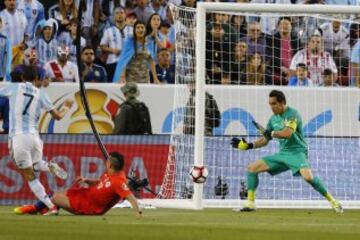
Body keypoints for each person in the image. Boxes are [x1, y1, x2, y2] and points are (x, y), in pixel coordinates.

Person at [231, 90, 343, 213]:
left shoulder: (292, 114)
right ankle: (250, 204)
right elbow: (265, 140)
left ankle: (333, 201)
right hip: (283, 154)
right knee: (252, 168)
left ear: (282, 102)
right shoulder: (273, 119)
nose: (272, 107)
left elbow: (287, 133)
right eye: (270, 104)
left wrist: (272, 133)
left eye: (274, 104)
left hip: (297, 152)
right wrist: (249, 145)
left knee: (308, 177)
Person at [0, 65, 73, 215]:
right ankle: (49, 166)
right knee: (36, 164)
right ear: (36, 79)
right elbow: (58, 116)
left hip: (18, 137)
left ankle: (50, 206)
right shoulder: (42, 94)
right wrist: (66, 106)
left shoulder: (14, 87)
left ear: (22, 78)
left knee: (29, 175)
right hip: (35, 138)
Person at [14, 152, 142, 217]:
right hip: (87, 195)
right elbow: (101, 182)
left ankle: (34, 208)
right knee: (61, 193)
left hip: (90, 206)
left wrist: (138, 212)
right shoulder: (113, 174)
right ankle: (45, 209)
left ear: (110, 164)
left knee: (55, 197)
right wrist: (86, 180)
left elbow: (130, 196)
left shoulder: (118, 182)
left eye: (107, 161)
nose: (106, 162)